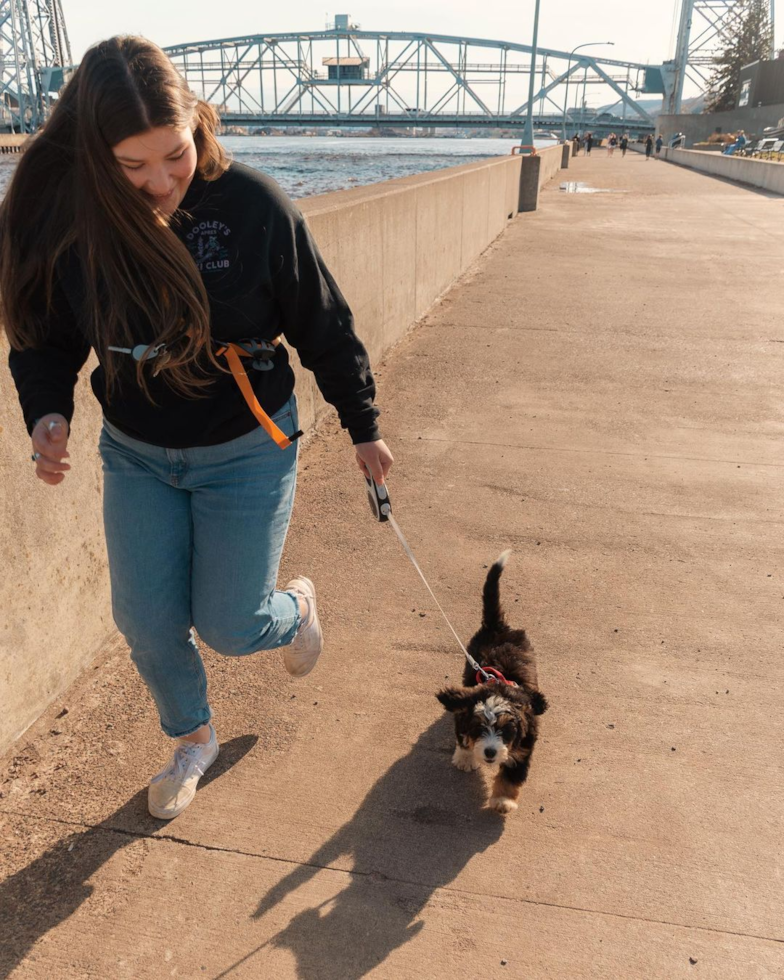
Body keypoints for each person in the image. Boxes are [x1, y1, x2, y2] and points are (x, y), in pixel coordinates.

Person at [1, 37, 394, 820]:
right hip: (138, 454)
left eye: (173, 156)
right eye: (132, 167)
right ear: (94, 155)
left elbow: (324, 322)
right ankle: (193, 738)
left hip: (247, 450)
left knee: (233, 625)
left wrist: (363, 424)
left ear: (196, 127)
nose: (159, 184)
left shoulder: (252, 207)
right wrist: (48, 414)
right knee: (144, 624)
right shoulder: (75, 223)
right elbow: (45, 335)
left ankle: (297, 611)